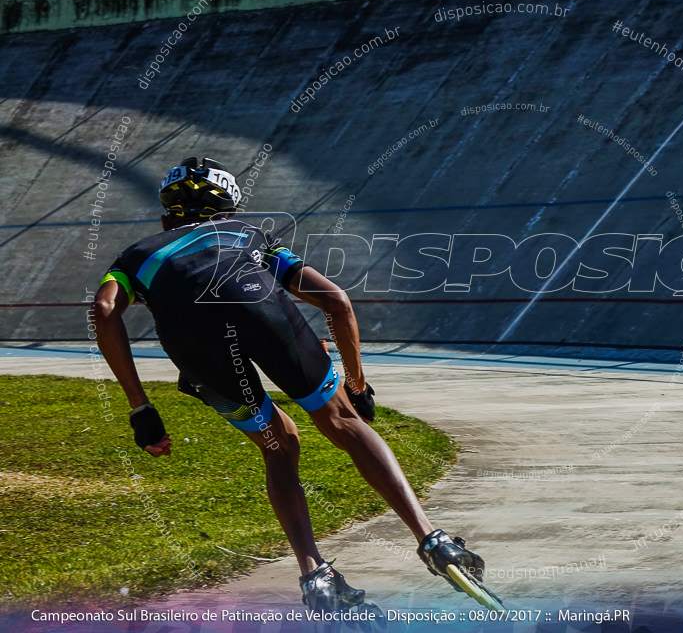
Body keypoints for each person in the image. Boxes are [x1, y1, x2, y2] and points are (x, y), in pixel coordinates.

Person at [90, 156, 486, 612]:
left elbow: (103, 311)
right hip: (268, 317)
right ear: (228, 208)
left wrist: (141, 409)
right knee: (344, 423)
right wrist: (356, 387)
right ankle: (433, 541)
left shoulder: (135, 256)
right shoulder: (248, 235)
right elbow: (336, 300)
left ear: (166, 213)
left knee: (279, 445)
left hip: (194, 347)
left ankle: (315, 574)